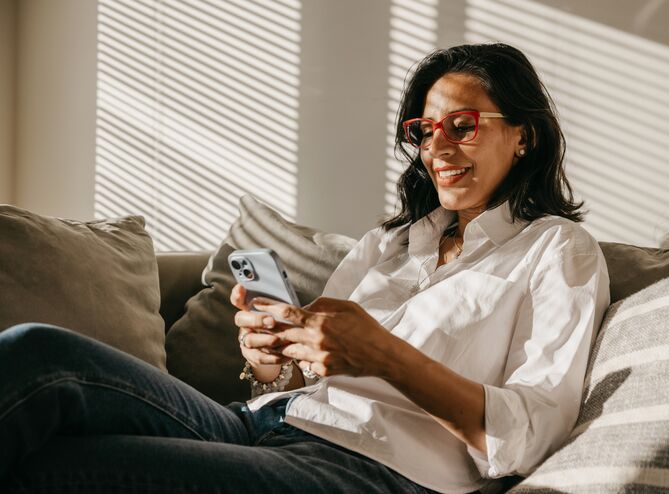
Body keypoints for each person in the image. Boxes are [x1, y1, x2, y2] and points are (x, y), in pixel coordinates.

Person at [0, 43, 609, 493]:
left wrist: (383, 354)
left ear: (523, 137)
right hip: (265, 423)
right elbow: (298, 377)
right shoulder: (389, 243)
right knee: (36, 353)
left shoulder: (556, 249)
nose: (439, 149)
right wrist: (271, 355)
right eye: (425, 131)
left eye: (464, 126)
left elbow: (535, 434)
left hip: (374, 469)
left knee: (52, 468)